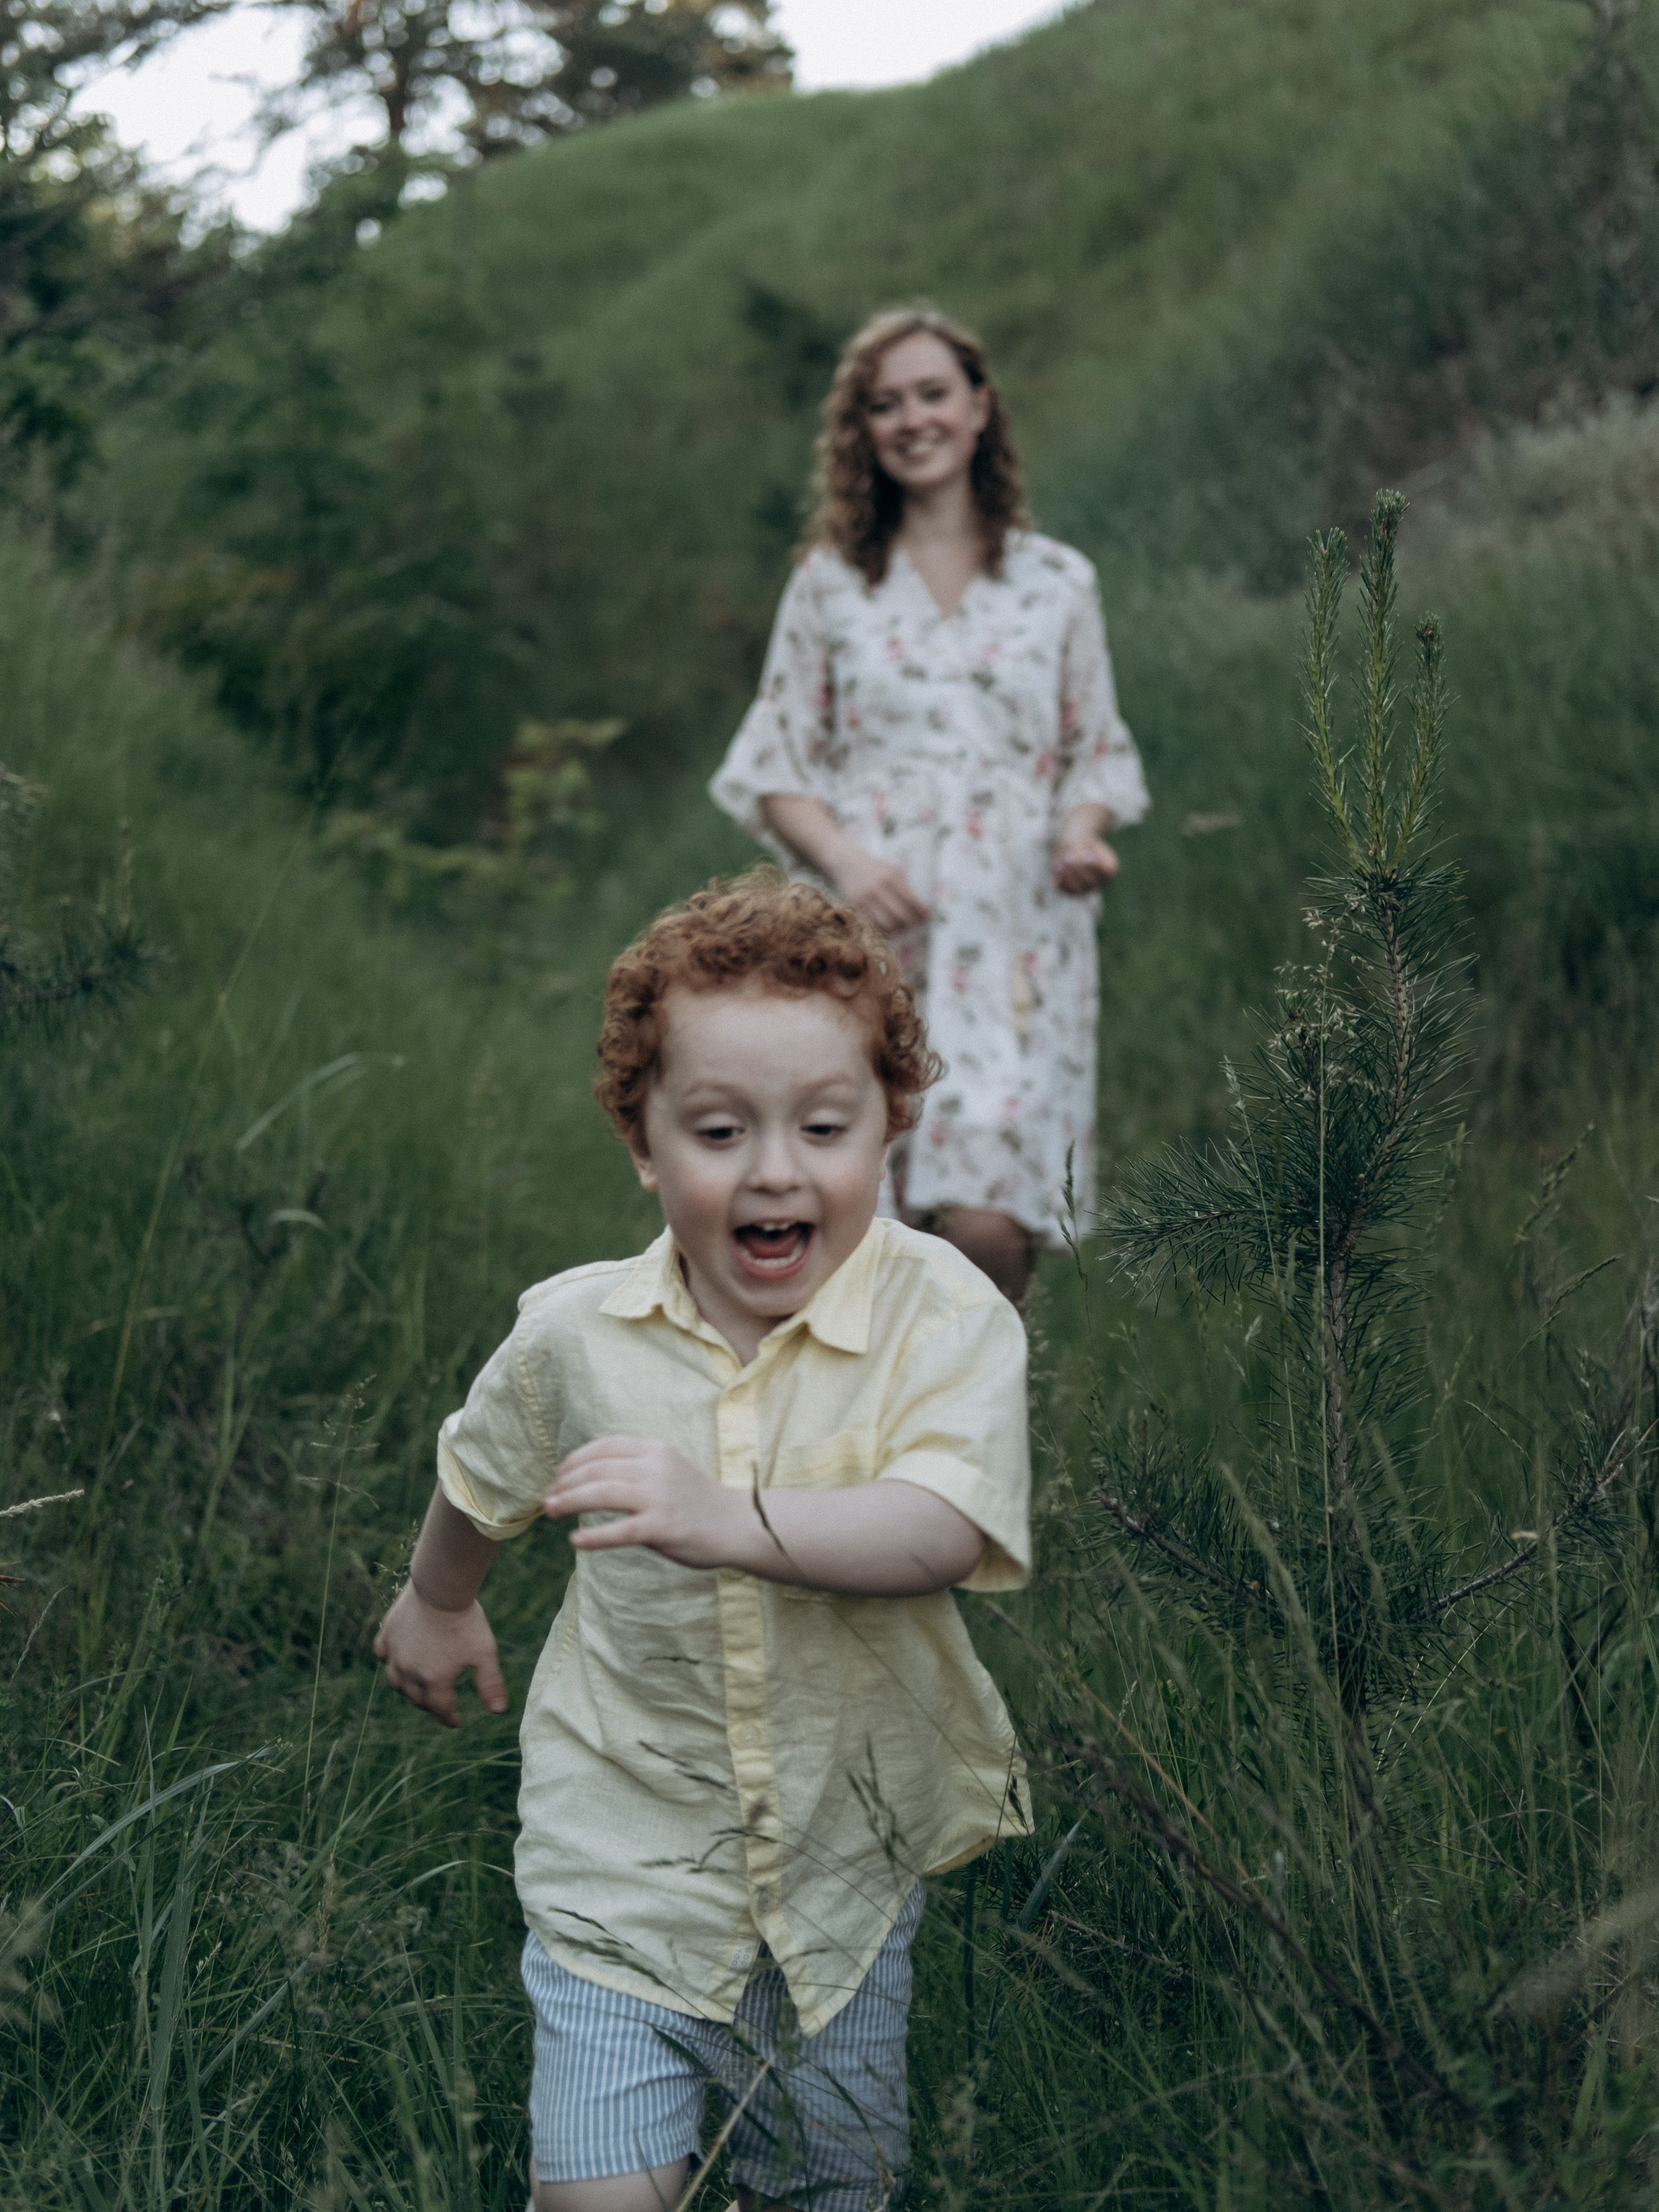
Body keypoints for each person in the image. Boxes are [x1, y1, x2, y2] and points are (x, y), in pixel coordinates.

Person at [373, 869, 1033, 2212]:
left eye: (825, 1127)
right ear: (645, 1142)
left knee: (828, 2190)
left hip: (841, 1878)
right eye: (720, 1131)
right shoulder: (577, 1332)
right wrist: (437, 1601)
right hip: (620, 1859)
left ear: (889, 1130)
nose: (775, 1170)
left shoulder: (943, 1316)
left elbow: (944, 1528)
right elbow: (481, 1466)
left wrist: (723, 1519)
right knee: (598, 2199)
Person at [711, 305, 1151, 1306]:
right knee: (861, 1211)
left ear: (980, 408)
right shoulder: (831, 587)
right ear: (862, 432)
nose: (913, 419)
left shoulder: (1057, 583)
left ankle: (979, 1431)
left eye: (932, 395)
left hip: (1016, 938)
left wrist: (1083, 837)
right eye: (885, 404)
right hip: (865, 933)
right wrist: (851, 866)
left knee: (990, 1214)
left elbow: (1096, 754)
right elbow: (775, 762)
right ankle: (858, 1445)